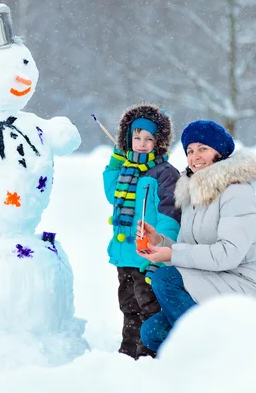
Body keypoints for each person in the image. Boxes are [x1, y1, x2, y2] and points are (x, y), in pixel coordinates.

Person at [136, 120, 256, 353]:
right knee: (152, 332)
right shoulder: (194, 194)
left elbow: (228, 254)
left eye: (203, 149)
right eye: (190, 151)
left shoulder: (237, 192)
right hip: (210, 280)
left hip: (244, 283)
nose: (195, 157)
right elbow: (190, 250)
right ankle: (193, 356)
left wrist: (173, 254)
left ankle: (211, 352)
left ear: (219, 152)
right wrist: (159, 242)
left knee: (165, 278)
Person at [103, 103, 181, 359]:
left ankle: (150, 355)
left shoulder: (164, 173)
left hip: (147, 256)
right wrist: (116, 160)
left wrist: (161, 250)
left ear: (159, 142)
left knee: (149, 306)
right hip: (124, 255)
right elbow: (111, 192)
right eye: (136, 137)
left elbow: (168, 216)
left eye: (149, 138)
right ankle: (128, 352)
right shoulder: (126, 169)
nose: (142, 143)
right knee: (128, 306)